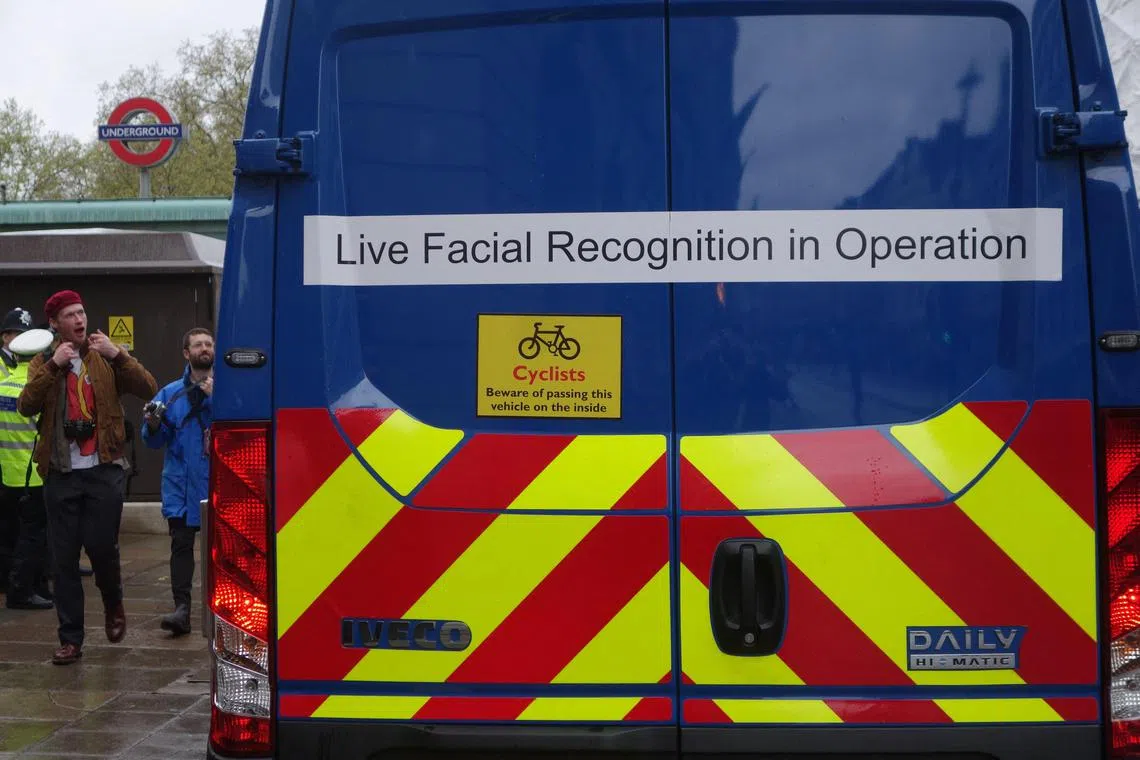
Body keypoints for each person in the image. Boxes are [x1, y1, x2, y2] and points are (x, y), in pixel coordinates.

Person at [17, 290, 157, 665]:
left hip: (104, 468)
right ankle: (71, 639)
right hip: (61, 474)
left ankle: (113, 603)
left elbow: (149, 388)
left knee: (101, 548)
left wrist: (119, 354)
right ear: (55, 325)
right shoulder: (45, 362)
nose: (79, 320)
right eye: (70, 315)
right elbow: (26, 405)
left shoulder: (104, 357)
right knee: (62, 561)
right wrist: (52, 368)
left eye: (81, 313)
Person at [142, 327, 214, 636]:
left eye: (208, 344)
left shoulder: (229, 389)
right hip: (181, 487)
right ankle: (181, 609)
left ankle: (227, 611)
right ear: (186, 353)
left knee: (223, 553)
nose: (204, 348)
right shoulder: (170, 394)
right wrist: (154, 424)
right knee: (181, 547)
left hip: (217, 484)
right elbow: (155, 442)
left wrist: (217, 399)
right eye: (197, 345)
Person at [0, 307, 52, 610]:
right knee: (31, 536)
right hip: (34, 472)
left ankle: (33, 586)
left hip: (9, 471)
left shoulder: (5, 382)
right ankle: (23, 590)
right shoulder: (36, 387)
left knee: (16, 534)